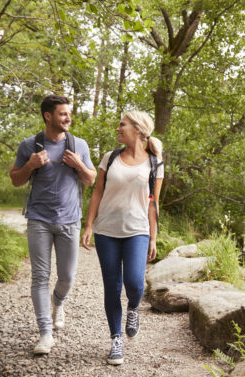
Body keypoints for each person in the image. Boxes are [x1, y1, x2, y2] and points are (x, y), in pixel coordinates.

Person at [10, 95, 96, 354]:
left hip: (70, 221)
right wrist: (31, 164)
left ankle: (58, 301)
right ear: (48, 116)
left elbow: (91, 179)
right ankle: (45, 334)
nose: (68, 118)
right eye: (63, 114)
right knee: (39, 277)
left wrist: (79, 163)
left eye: (69, 113)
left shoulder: (78, 144)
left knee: (67, 277)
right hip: (39, 220)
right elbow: (15, 179)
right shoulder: (30, 145)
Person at [80, 110, 164, 365]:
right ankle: (116, 340)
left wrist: (153, 238)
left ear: (137, 130)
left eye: (122, 125)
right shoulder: (110, 157)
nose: (118, 128)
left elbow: (154, 204)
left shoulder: (155, 162)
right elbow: (97, 192)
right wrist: (89, 225)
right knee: (112, 286)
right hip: (107, 231)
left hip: (138, 230)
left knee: (135, 283)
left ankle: (133, 309)